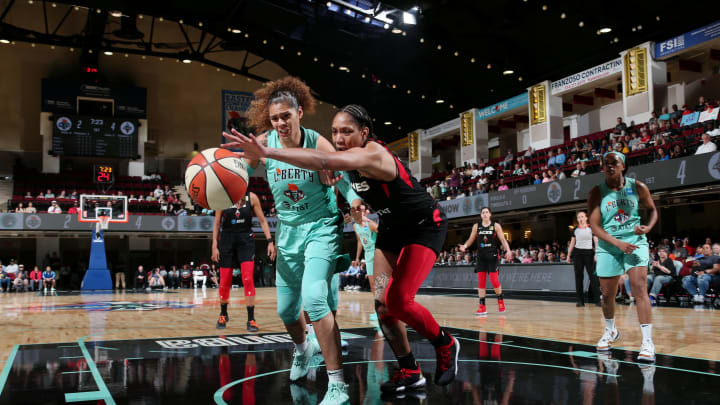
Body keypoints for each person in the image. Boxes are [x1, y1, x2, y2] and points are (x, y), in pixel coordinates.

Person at [224, 103, 460, 395]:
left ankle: (445, 343)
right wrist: (352, 198)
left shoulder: (370, 153)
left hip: (424, 226)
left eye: (347, 132)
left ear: (364, 133)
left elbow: (323, 159)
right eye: (334, 131)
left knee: (398, 300)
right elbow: (330, 168)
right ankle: (410, 371)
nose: (339, 138)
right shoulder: (345, 159)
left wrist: (269, 153)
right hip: (391, 229)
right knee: (383, 307)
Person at [221, 77, 362, 404]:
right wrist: (222, 171)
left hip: (321, 227)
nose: (281, 123)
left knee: (314, 298)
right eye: (275, 118)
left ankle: (337, 384)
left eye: (286, 115)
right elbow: (241, 169)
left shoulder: (317, 142)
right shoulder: (264, 144)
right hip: (288, 232)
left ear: (299, 112)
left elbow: (341, 177)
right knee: (287, 311)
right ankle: (302, 349)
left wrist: (353, 200)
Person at [588, 151, 658, 362]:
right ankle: (611, 330)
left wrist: (647, 228)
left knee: (638, 287)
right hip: (610, 244)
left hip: (635, 242)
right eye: (606, 163)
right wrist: (617, 243)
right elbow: (594, 225)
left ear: (623, 166)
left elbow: (653, 211)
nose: (609, 166)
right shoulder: (597, 192)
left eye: (614, 163)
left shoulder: (638, 187)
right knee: (607, 294)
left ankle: (647, 341)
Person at [212, 192, 275, 332]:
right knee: (225, 281)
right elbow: (217, 224)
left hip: (245, 240)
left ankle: (251, 319)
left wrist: (270, 242)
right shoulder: (222, 196)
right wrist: (214, 246)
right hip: (227, 240)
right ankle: (223, 313)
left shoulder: (251, 197)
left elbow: (263, 221)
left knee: (247, 278)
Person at [458, 207, 512, 316]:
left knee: (494, 280)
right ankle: (482, 307)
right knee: (481, 282)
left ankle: (500, 300)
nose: (485, 214)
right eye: (483, 212)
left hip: (492, 257)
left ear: (490, 214)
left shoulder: (496, 226)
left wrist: (508, 251)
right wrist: (465, 245)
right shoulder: (476, 226)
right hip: (481, 257)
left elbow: (502, 239)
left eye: (487, 212)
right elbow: (471, 239)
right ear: (481, 215)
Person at [567, 211, 601, 307]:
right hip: (577, 254)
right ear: (577, 219)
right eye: (578, 217)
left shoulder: (591, 228)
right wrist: (568, 255)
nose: (580, 219)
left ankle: (597, 301)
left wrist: (596, 253)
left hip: (589, 253)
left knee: (593, 277)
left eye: (582, 217)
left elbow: (596, 241)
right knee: (579, 277)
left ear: (586, 218)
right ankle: (580, 301)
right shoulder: (575, 230)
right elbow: (572, 243)